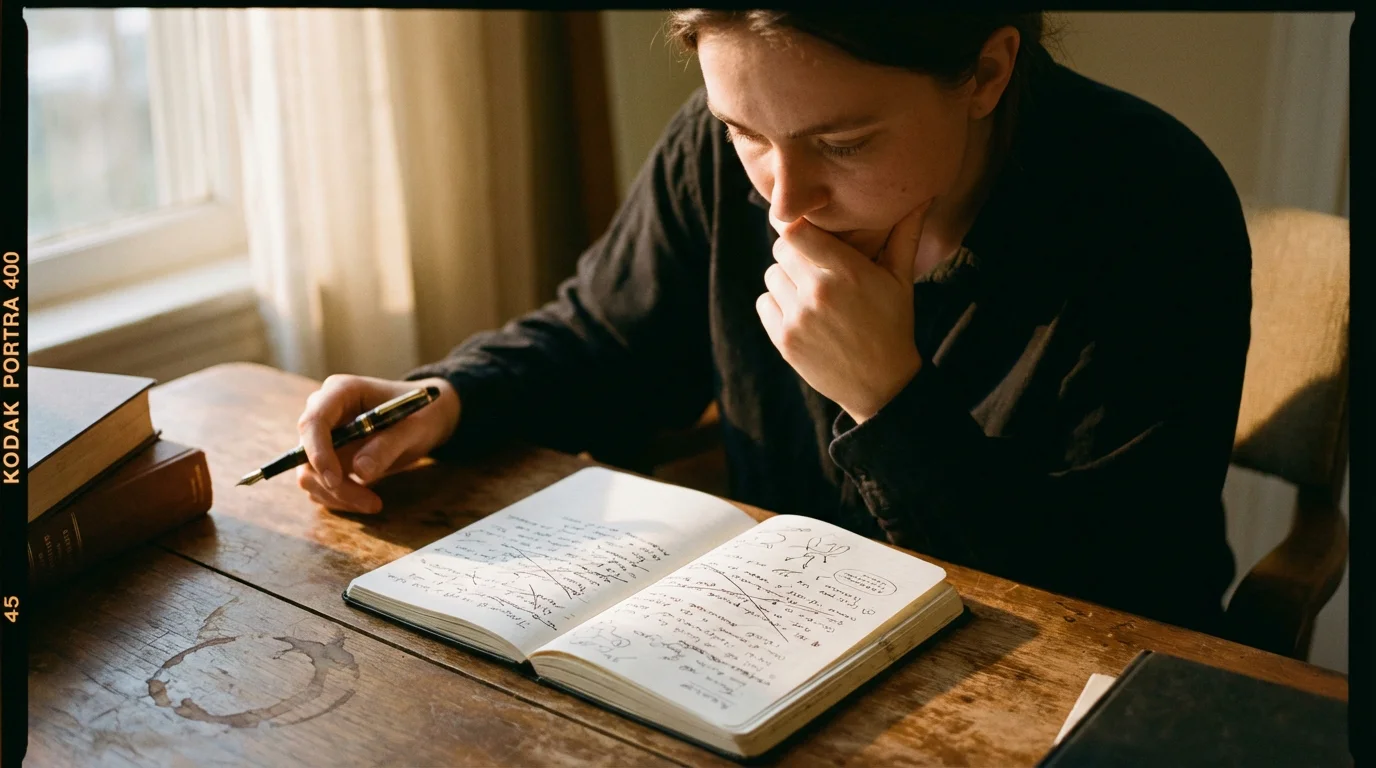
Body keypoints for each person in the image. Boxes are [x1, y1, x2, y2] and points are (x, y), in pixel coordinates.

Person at [293, 11, 1251, 637]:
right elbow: (608, 342)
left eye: (843, 141)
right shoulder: (714, 163)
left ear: (989, 72)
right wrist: (451, 397)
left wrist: (890, 399)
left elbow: (1120, 595)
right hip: (769, 653)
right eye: (746, 132)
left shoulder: (1152, 208)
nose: (783, 200)